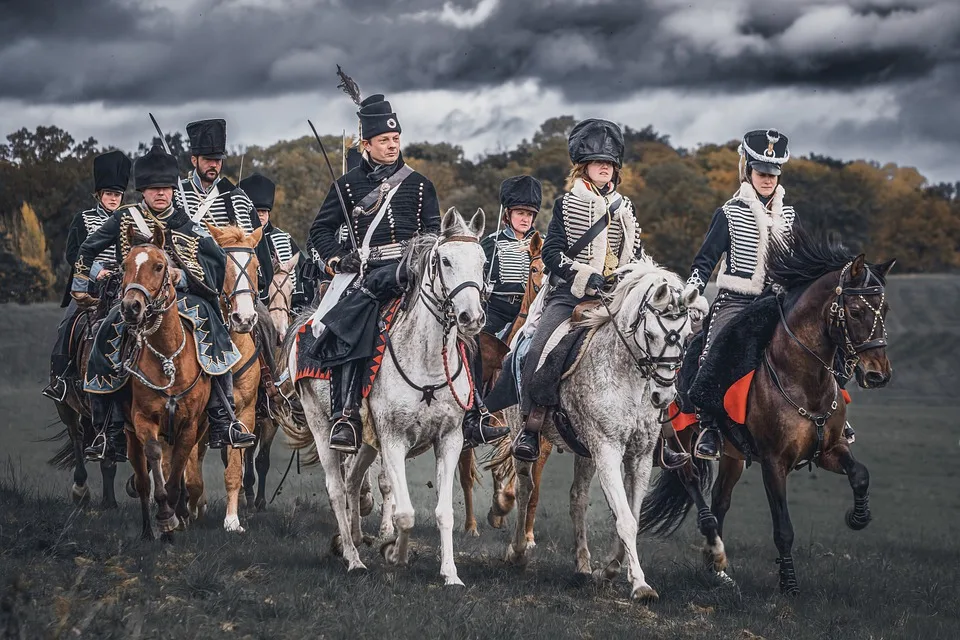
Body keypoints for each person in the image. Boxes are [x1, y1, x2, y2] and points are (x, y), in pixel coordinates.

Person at [309, 94, 508, 453]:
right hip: (364, 273)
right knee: (347, 327)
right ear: (366, 144)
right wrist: (338, 260)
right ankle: (345, 415)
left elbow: (433, 234)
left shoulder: (419, 184)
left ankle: (475, 411)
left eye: (395, 139)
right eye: (384, 141)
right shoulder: (348, 186)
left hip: (413, 274)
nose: (391, 145)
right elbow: (319, 233)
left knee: (467, 327)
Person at [511, 119, 692, 465]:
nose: (605, 169)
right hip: (571, 296)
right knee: (538, 349)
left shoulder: (627, 209)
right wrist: (585, 276)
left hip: (618, 298)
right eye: (598, 163)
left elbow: (637, 254)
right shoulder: (567, 205)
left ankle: (664, 435)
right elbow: (551, 254)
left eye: (609, 164)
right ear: (584, 167)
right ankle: (531, 427)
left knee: (660, 346)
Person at [72, 146, 256, 462]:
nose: (161, 194)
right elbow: (84, 252)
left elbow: (216, 263)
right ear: (143, 190)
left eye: (166, 188)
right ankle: (108, 430)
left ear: (173, 189)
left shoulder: (188, 223)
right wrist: (94, 276)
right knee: (104, 334)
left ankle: (223, 418)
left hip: (184, 297)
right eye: (154, 188)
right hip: (134, 299)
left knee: (215, 329)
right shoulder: (124, 218)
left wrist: (181, 276)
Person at [685, 129, 854, 459]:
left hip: (777, 301)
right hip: (736, 299)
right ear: (748, 169)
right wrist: (691, 290)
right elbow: (705, 261)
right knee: (715, 351)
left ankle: (837, 420)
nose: (767, 179)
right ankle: (710, 428)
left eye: (773, 174)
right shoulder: (728, 212)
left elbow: (804, 264)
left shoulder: (790, 217)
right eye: (762, 172)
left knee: (826, 345)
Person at [43, 150, 130, 401]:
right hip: (90, 286)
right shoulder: (83, 219)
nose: (114, 199)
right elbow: (73, 254)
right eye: (109, 194)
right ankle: (60, 379)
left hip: (123, 285)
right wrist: (96, 272)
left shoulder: (131, 220)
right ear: (99, 195)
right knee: (67, 325)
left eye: (117, 194)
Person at [177, 119, 273, 294]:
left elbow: (258, 249)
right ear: (194, 160)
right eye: (207, 159)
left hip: (236, 286)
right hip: (189, 282)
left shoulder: (238, 197)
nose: (214, 165)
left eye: (218, 160)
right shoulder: (177, 193)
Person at [481, 175, 543, 337]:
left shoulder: (543, 243)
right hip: (497, 311)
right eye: (520, 213)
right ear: (508, 215)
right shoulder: (490, 243)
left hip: (533, 310)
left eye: (529, 215)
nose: (525, 219)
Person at [238, 173, 310, 311]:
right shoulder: (241, 240)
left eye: (264, 211)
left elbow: (300, 272)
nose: (260, 214)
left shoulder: (284, 238)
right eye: (256, 211)